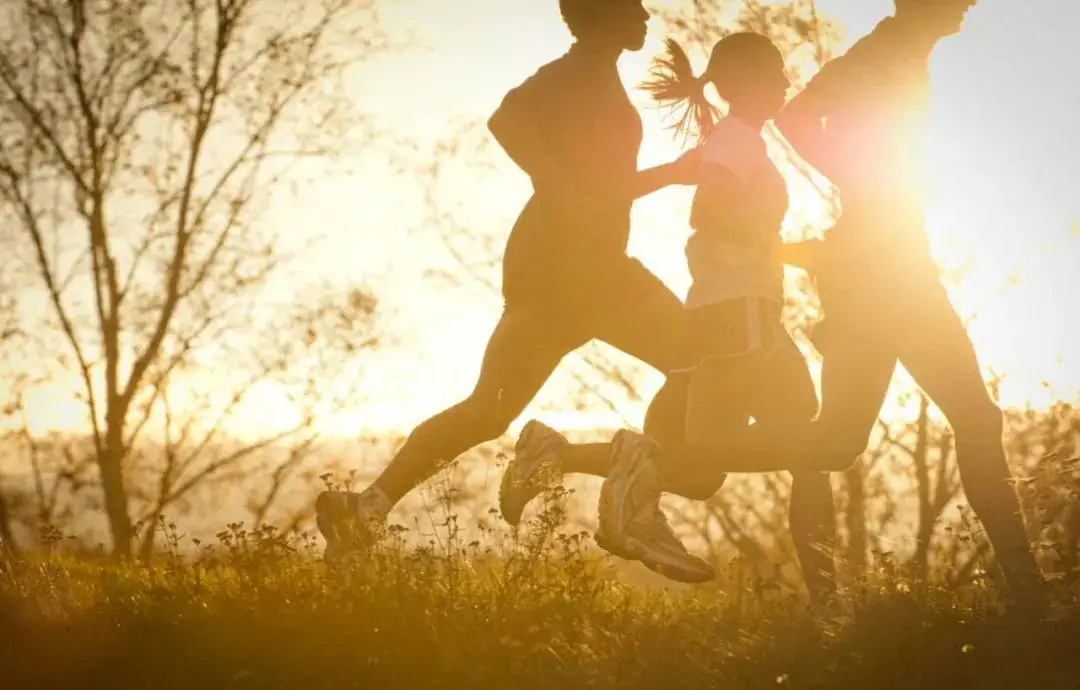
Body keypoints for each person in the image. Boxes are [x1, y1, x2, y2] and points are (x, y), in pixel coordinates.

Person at [599, 0, 1045, 608]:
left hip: (884, 265)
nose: (969, 4)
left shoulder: (903, 52)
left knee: (838, 442)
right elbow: (802, 116)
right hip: (883, 274)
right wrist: (866, 181)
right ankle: (1033, 599)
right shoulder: (885, 51)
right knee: (970, 420)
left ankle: (650, 463)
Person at [315, 0, 703, 562]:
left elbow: (605, 189)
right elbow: (508, 118)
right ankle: (636, 503)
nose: (646, 14)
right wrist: (555, 183)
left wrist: (670, 173)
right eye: (633, 6)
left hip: (561, 262)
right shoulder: (575, 73)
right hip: (579, 266)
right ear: (601, 15)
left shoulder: (595, 75)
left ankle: (366, 508)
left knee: (488, 411)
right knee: (698, 358)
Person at [500, 34, 836, 594]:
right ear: (751, 81)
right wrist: (791, 252)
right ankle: (831, 604)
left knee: (704, 473)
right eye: (777, 71)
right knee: (810, 444)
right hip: (742, 314)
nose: (785, 81)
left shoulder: (733, 139)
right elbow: (712, 212)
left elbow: (689, 202)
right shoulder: (739, 143)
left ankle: (555, 455)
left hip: (722, 313)